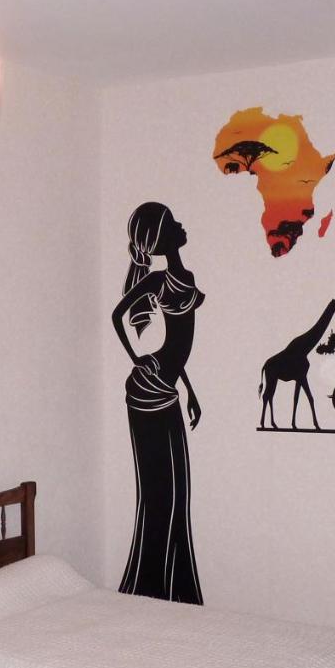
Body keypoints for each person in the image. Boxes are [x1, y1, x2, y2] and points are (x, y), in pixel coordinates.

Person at [111, 202, 204, 604]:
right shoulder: (157, 281)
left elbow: (178, 348)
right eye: (173, 223)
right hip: (147, 391)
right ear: (160, 238)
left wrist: (190, 389)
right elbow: (118, 316)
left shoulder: (184, 278)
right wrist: (137, 359)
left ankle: (172, 593)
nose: (181, 225)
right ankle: (149, 591)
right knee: (159, 493)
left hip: (167, 387)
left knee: (178, 492)